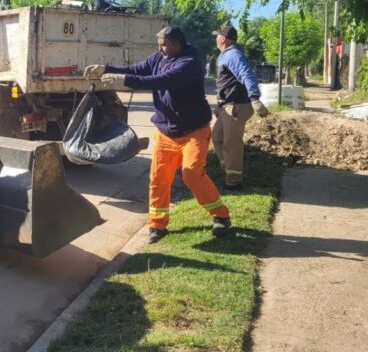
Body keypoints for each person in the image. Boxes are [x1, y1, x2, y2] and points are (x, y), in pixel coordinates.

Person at [84, 25, 231, 244]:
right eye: (159, 45)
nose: (160, 49)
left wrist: (123, 82)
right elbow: (140, 69)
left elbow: (161, 80)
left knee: (191, 173)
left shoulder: (189, 64)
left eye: (164, 45)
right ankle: (157, 224)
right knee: (158, 179)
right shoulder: (160, 57)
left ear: (177, 44)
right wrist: (106, 69)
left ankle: (220, 215)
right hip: (166, 131)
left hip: (193, 131)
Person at [212, 25, 268, 189]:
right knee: (217, 138)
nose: (215, 39)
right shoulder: (225, 55)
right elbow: (225, 84)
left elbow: (247, 74)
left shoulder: (233, 55)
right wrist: (219, 105)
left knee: (231, 143)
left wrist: (255, 99)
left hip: (236, 106)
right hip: (227, 106)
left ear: (223, 39)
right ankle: (228, 168)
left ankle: (234, 181)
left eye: (217, 36)